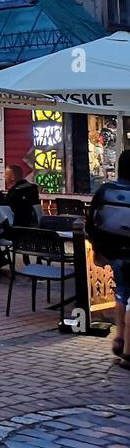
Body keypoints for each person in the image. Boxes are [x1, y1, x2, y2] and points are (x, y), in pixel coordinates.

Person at [87, 150, 130, 368]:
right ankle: (128, 348)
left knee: (122, 292)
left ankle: (120, 335)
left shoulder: (106, 190)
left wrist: (98, 248)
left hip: (114, 251)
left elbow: (90, 223)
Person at [4, 163, 41, 228]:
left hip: (18, 228)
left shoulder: (16, 193)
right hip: (33, 227)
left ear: (12, 176)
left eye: (6, 174)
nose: (4, 177)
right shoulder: (32, 189)